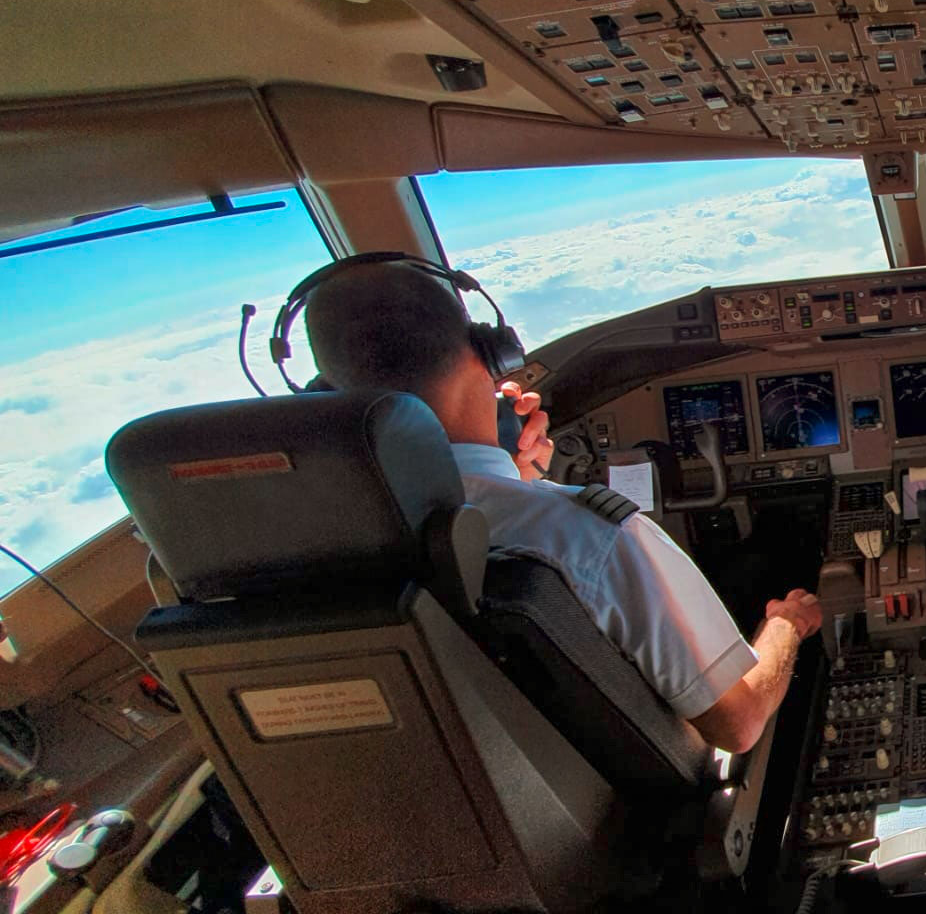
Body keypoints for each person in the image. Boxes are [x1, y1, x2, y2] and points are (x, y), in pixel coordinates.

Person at [303, 257, 819, 752]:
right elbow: (740, 721)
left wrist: (517, 479)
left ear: (330, 395)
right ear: (488, 354)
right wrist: (786, 623)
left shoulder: (320, 541)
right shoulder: (591, 537)